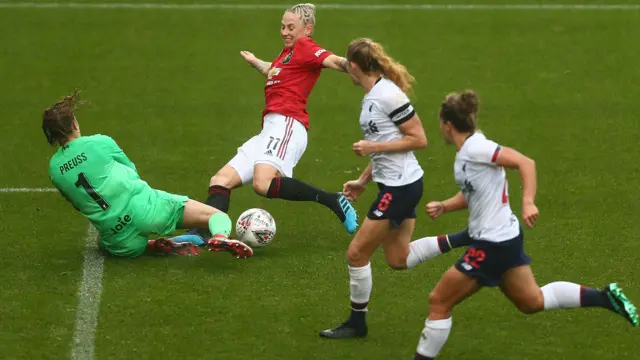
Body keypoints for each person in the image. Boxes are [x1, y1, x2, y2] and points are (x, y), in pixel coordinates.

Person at [410, 90, 638, 359]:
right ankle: (604, 297)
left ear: (447, 125)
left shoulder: (477, 148)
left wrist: (528, 201)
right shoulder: (468, 153)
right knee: (531, 302)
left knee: (439, 301)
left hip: (491, 243)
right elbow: (476, 192)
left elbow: (525, 163)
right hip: (505, 237)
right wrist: (446, 205)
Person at [319, 38, 473, 339]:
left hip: (400, 188)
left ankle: (356, 323)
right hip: (399, 184)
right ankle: (464, 237)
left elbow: (419, 139)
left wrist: (371, 146)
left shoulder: (387, 96)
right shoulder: (375, 94)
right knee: (398, 259)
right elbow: (387, 145)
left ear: (355, 68)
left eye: (346, 67)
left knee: (356, 254)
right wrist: (363, 181)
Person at [184, 3, 358, 241]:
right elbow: (276, 73)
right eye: (283, 26)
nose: (285, 32)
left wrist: (360, 66)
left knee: (262, 183)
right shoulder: (287, 54)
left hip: (288, 124)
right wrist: (257, 62)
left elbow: (334, 61)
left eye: (291, 28)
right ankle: (202, 233)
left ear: (307, 30)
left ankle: (333, 200)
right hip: (270, 129)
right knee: (221, 180)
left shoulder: (306, 47)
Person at [44, 90, 253, 259]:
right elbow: (131, 169)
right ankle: (219, 236)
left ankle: (152, 245)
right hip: (146, 208)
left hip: (118, 237)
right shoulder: (100, 141)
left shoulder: (54, 169)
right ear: (74, 124)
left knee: (101, 242)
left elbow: (76, 202)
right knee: (216, 216)